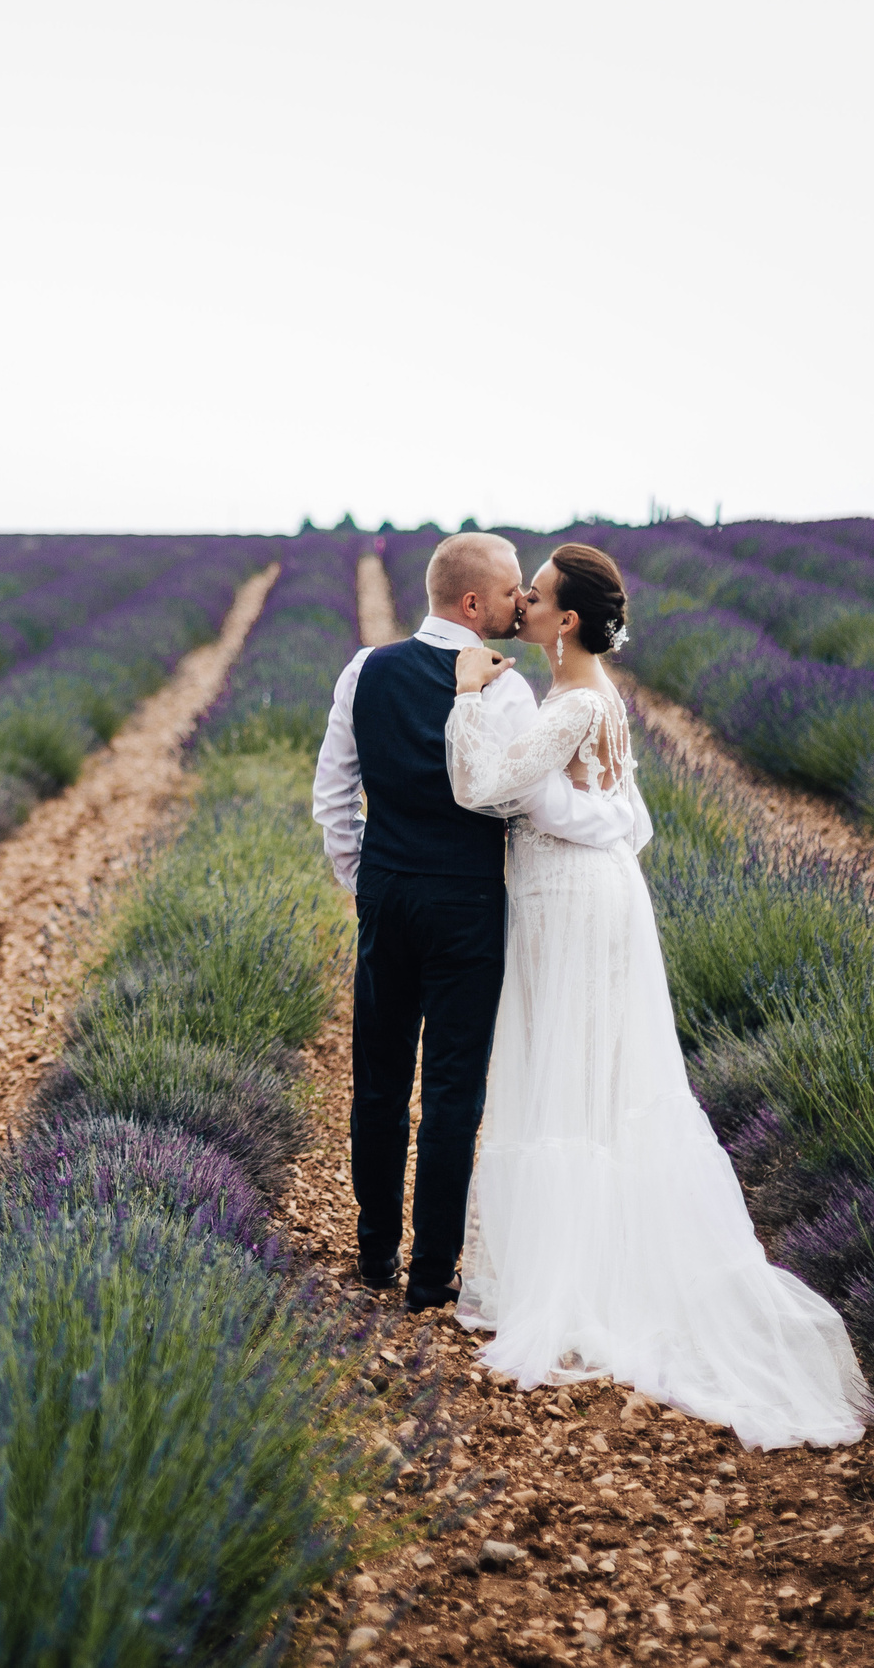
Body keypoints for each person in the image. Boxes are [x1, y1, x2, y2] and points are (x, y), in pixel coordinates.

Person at [443, 543, 869, 1448]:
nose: (523, 602)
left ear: (564, 621)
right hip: (597, 896)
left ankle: (573, 1285)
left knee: (566, 1072)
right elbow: (632, 821)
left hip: (567, 902)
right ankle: (597, 1264)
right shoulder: (602, 703)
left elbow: (482, 787)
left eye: (539, 595)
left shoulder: (571, 706)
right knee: (594, 1075)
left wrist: (469, 694)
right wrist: (567, 817)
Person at [312, 532, 638, 1312]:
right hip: (468, 906)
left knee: (380, 1079)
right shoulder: (508, 690)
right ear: (471, 603)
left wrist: (369, 881)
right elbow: (512, 797)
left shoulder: (364, 669)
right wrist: (617, 823)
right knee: (456, 1090)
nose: (518, 603)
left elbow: (333, 799)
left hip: (389, 897)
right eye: (508, 593)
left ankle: (375, 1252)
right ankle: (432, 1276)